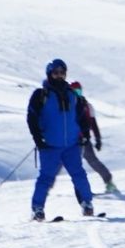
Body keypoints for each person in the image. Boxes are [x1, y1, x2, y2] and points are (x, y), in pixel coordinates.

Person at [26, 58, 94, 221]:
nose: (59, 76)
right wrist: (37, 138)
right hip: (50, 145)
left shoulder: (72, 94)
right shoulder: (41, 95)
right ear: (50, 74)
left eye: (62, 73)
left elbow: (82, 116)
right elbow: (32, 118)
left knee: (79, 175)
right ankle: (37, 209)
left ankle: (87, 204)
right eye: (56, 73)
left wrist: (85, 134)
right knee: (46, 178)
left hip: (71, 144)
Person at [69, 81, 119, 195]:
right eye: (74, 91)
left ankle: (108, 182)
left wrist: (98, 139)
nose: (77, 93)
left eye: (78, 91)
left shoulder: (87, 106)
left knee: (91, 161)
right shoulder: (67, 106)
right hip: (71, 140)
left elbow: (93, 123)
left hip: (83, 139)